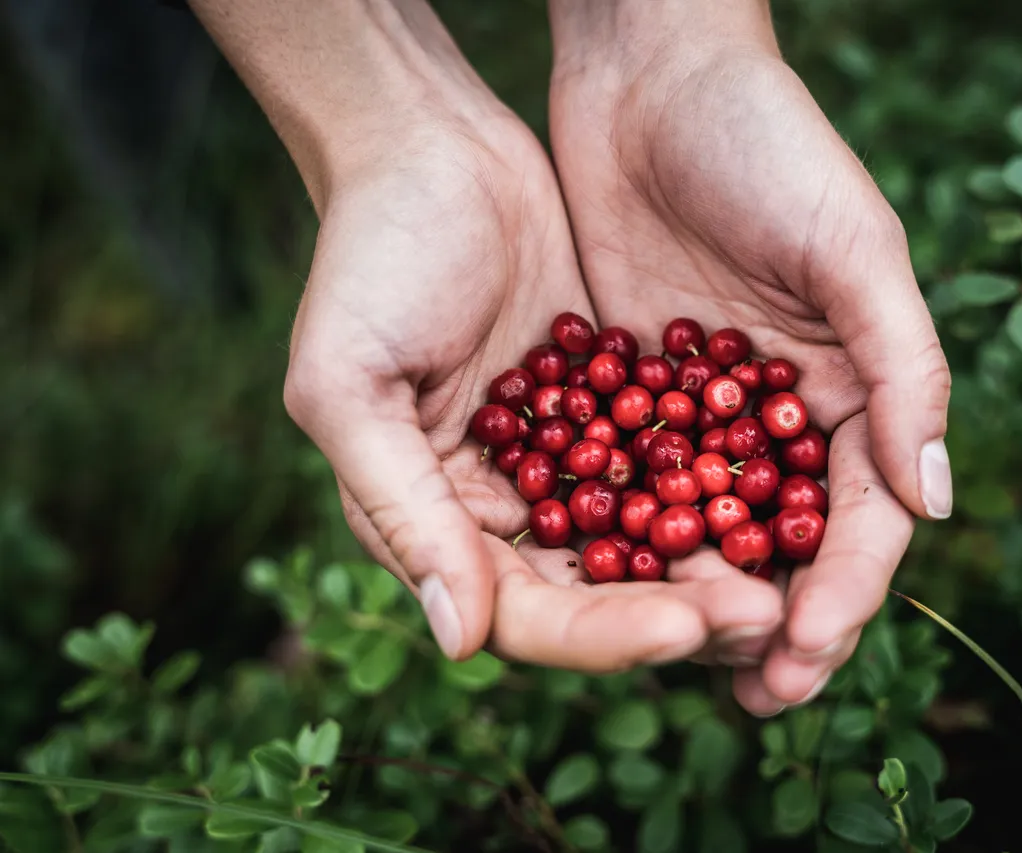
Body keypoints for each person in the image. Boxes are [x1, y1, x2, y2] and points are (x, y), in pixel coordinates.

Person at [188, 0, 952, 717]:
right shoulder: (628, 430)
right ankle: (202, 249)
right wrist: (377, 130)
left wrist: (670, 44)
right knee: (163, 132)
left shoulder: (651, 428)